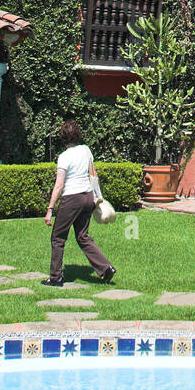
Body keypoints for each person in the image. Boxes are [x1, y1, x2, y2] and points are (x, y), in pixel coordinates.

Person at [42, 120, 116, 287]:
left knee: (58, 238)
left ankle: (55, 278)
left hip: (72, 198)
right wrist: (98, 197)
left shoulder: (64, 157)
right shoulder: (86, 150)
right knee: (83, 236)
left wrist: (50, 209)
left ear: (63, 137)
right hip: (87, 196)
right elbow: (93, 173)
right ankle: (106, 268)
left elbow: (59, 185)